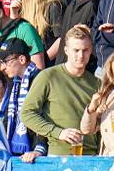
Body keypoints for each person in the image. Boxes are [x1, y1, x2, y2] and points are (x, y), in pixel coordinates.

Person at [22, 26, 101, 156]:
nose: (80, 55)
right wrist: (58, 133)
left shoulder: (97, 83)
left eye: (85, 50)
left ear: (91, 50)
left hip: (91, 157)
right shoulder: (48, 76)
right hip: (58, 155)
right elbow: (27, 114)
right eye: (76, 50)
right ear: (66, 50)